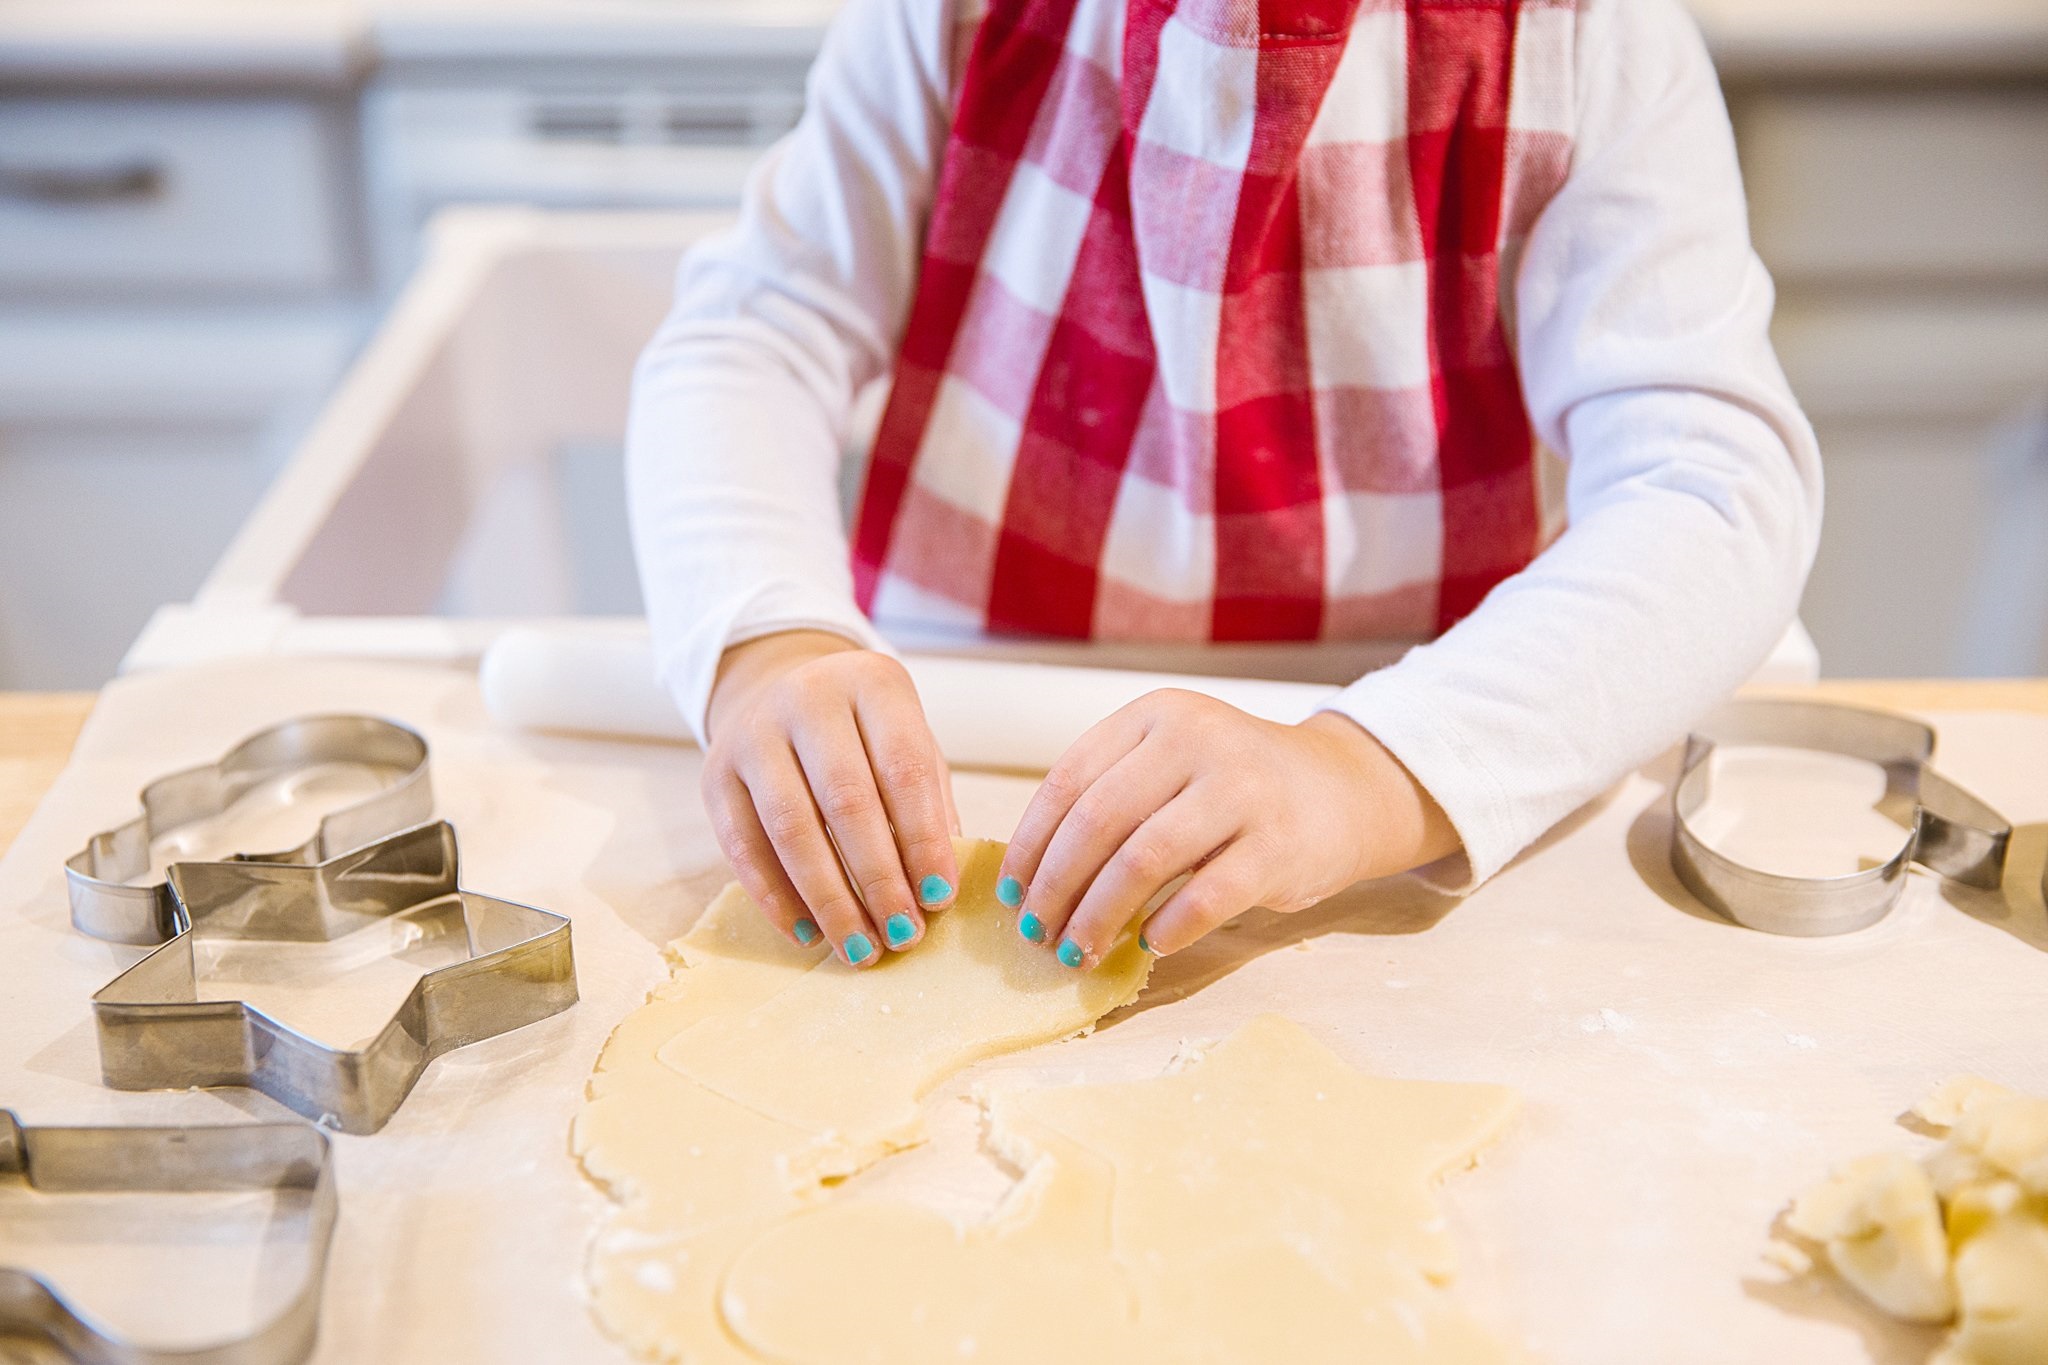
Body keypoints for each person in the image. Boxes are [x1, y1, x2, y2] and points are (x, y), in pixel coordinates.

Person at [627, 0, 1821, 971]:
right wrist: (766, 644)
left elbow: (1711, 486)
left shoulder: (1585, 38)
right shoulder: (943, 18)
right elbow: (753, 334)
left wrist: (1361, 774)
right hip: (949, 749)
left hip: (1426, 762)